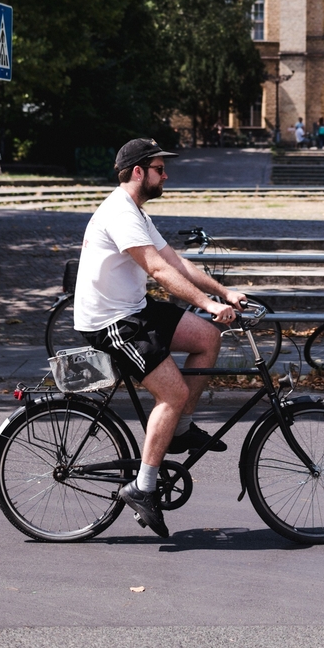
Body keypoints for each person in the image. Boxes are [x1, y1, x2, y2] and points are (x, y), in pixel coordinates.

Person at [73, 137, 246, 538]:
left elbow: (175, 261)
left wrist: (223, 293)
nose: (166, 176)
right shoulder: (119, 212)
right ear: (138, 172)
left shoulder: (136, 211)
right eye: (159, 169)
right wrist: (207, 303)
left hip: (134, 309)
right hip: (110, 321)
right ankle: (143, 485)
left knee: (208, 338)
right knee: (172, 393)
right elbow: (158, 270)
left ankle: (179, 429)